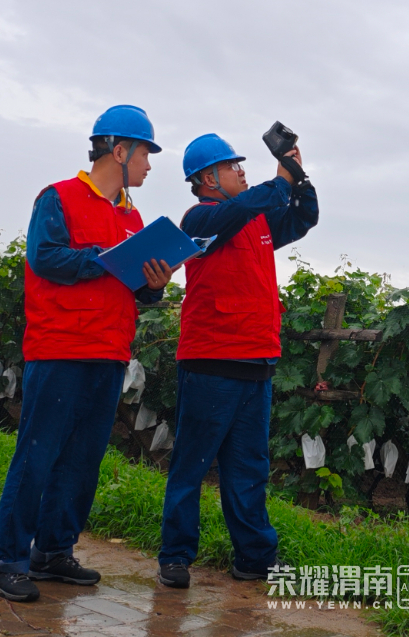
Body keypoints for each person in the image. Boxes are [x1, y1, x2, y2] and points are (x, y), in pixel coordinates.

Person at [0, 105, 172, 602]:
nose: (149, 165)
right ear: (120, 151)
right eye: (145, 154)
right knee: (38, 455)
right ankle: (6, 562)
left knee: (83, 459)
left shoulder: (133, 217)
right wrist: (104, 259)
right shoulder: (58, 197)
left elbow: (136, 287)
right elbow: (44, 258)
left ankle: (52, 552)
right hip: (60, 347)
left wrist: (155, 283)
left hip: (109, 352)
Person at [158, 133, 319, 588]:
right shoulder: (200, 219)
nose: (242, 172)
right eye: (233, 166)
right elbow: (238, 211)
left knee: (249, 467)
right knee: (192, 464)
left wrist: (298, 177)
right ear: (208, 178)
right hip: (211, 361)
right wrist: (279, 181)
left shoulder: (257, 222)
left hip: (256, 360)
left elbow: (303, 218)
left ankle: (254, 558)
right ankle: (175, 556)